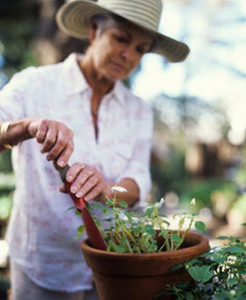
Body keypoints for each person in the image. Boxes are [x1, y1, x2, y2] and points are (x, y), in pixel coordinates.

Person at [0, 0, 189, 299]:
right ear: (93, 32)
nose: (128, 55)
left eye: (140, 49)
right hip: (42, 265)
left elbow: (139, 181)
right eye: (121, 38)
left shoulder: (138, 111)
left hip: (113, 265)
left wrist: (106, 190)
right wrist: (28, 127)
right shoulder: (34, 83)